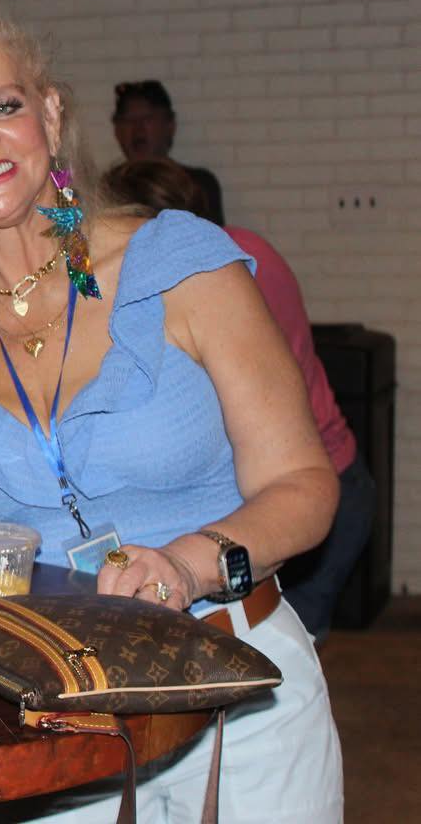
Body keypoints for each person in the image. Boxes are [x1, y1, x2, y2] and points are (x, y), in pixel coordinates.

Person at [0, 0, 342, 821]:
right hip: (46, 713)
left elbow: (304, 486)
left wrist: (184, 563)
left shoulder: (180, 264)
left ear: (49, 117)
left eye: (3, 105)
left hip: (235, 694)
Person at [102, 158, 376, 643]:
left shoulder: (215, 273)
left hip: (305, 490)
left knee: (281, 646)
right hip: (320, 475)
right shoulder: (241, 250)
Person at [111, 79, 225, 225]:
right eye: (129, 120)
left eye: (147, 118)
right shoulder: (109, 188)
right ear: (117, 130)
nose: (138, 128)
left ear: (170, 126)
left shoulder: (198, 184)